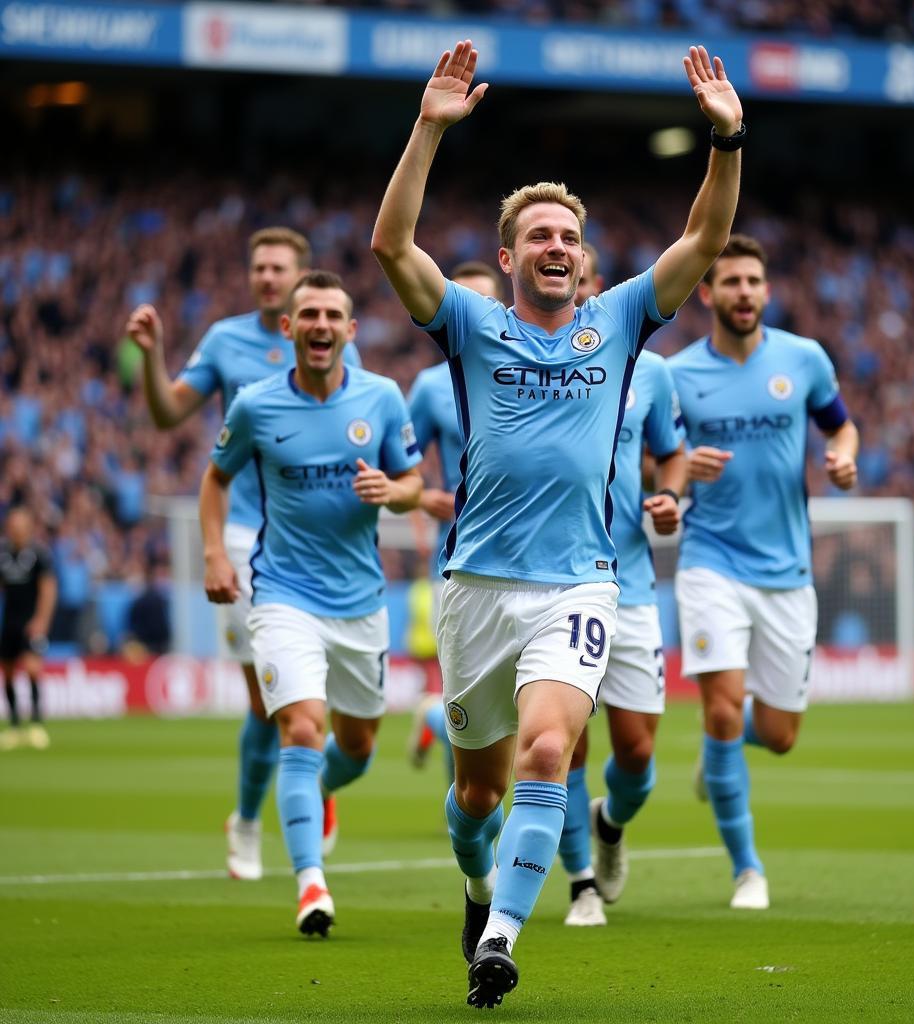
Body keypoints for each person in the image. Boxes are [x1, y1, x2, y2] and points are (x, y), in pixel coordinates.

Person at [371, 39, 742, 1007]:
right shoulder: (468, 324)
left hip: (579, 583)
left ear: (584, 254)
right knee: (476, 798)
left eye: (567, 236)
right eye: (537, 235)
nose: (555, 246)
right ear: (508, 256)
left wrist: (725, 139)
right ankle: (473, 878)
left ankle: (499, 939)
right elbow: (390, 248)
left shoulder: (619, 320)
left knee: (548, 753)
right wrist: (427, 129)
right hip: (475, 591)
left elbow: (702, 244)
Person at [125, 228, 361, 881]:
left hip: (316, 545)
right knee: (269, 701)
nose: (265, 277)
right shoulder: (227, 341)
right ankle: (252, 821)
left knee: (330, 708)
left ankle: (308, 789)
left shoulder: (334, 339)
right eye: (257, 267)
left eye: (278, 267)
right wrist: (154, 355)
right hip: (244, 539)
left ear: (301, 277)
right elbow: (171, 413)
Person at [198, 270, 422, 935]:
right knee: (299, 728)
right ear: (289, 328)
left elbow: (414, 482)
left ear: (350, 331)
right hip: (282, 596)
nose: (321, 324)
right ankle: (310, 885)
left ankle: (320, 790)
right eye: (309, 315)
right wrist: (214, 552)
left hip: (360, 603)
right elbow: (215, 479)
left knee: (355, 749)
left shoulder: (381, 398)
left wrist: (394, 490)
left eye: (333, 314)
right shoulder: (255, 405)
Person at [667, 234, 859, 911]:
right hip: (710, 561)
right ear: (709, 293)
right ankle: (748, 870)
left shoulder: (803, 360)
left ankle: (720, 749)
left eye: (753, 281)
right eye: (731, 282)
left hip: (788, 571)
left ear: (766, 292)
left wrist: (841, 456)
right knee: (722, 710)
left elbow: (840, 427)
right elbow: (647, 460)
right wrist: (679, 468)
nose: (743, 292)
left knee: (778, 735)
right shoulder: (678, 374)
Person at [559, 243, 687, 928]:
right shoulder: (528, 362)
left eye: (584, 276)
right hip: (558, 583)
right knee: (565, 744)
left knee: (637, 754)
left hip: (631, 584)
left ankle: (611, 825)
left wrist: (669, 497)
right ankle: (580, 880)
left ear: (601, 287)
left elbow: (670, 455)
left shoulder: (652, 372)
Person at [406, 261, 504, 781]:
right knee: (466, 695)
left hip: (532, 560)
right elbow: (393, 466)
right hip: (459, 558)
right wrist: (427, 497)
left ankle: (428, 716)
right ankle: (466, 818)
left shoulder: (530, 369)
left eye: (484, 302)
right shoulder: (428, 387)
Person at [0, 507, 57, 751]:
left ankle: (35, 724)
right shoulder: (3, 554)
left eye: (20, 526)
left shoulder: (39, 554)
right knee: (9, 671)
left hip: (31, 621)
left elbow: (48, 589)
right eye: (12, 526)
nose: (16, 530)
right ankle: (13, 725)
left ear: (29, 527)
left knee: (33, 668)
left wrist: (41, 620)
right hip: (9, 621)